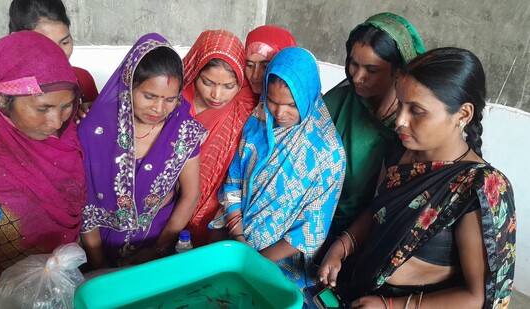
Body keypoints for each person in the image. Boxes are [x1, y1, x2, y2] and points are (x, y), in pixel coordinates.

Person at [318, 47, 516, 309]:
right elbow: (380, 212)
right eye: (400, 104)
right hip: (359, 291)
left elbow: (476, 297)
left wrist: (391, 306)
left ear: (463, 115)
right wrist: (342, 246)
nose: (400, 120)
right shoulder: (400, 150)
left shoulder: (480, 188)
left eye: (417, 111)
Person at [214, 47, 346, 289]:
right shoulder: (258, 121)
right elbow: (234, 179)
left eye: (291, 105)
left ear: (308, 96)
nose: (279, 112)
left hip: (278, 263)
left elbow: (309, 231)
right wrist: (237, 235)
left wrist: (254, 261)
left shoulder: (328, 153)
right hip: (237, 240)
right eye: (272, 101)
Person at [78, 33, 207, 268]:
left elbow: (191, 194)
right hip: (101, 245)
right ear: (128, 84)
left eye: (170, 99)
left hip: (159, 238)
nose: (159, 108)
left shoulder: (183, 131)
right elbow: (86, 205)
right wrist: (98, 265)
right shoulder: (95, 130)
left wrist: (158, 249)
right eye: (149, 96)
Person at [0, 30, 85, 301]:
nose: (56, 122)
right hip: (3, 291)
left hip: (67, 281)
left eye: (66, 105)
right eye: (42, 108)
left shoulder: (71, 138)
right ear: (2, 100)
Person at [324, 12, 426, 237]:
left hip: (372, 236)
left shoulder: (413, 126)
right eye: (353, 63)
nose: (358, 77)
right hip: (316, 224)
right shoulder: (337, 103)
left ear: (398, 70)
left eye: (372, 70)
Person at [182, 30, 257, 247]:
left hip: (217, 209)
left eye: (228, 86)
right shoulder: (172, 100)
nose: (217, 95)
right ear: (195, 71)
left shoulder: (245, 107)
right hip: (165, 203)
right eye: (207, 82)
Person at [8, 0, 99, 105]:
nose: (59, 55)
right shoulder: (5, 93)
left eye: (65, 42)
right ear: (16, 42)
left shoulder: (83, 79)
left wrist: (90, 113)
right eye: (46, 46)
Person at [244, 25, 296, 98]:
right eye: (250, 65)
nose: (255, 76)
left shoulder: (298, 105)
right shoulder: (236, 101)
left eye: (265, 67)